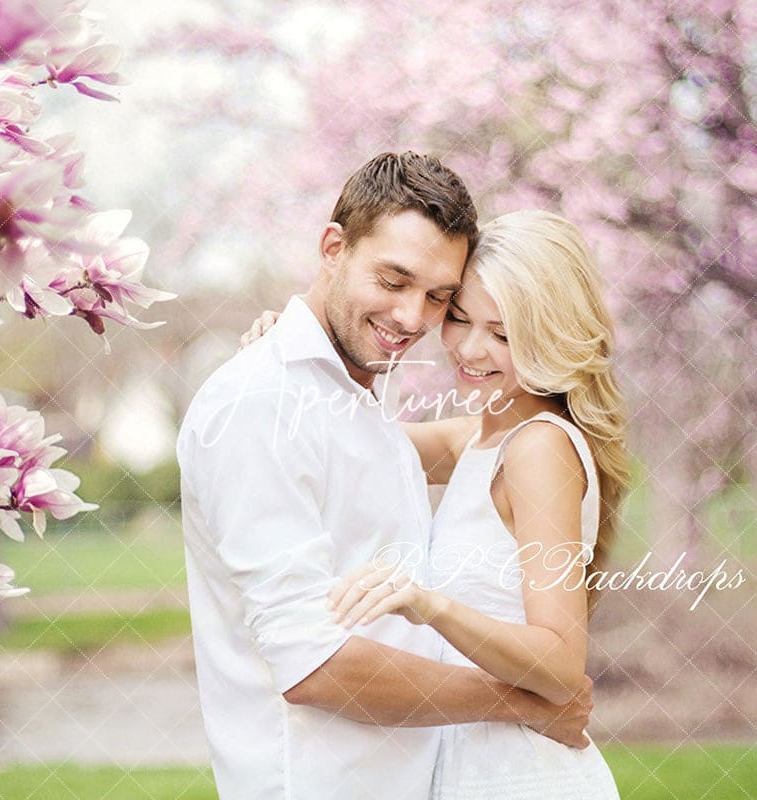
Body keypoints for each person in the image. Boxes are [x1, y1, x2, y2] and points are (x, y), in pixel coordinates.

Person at [176, 154, 593, 800]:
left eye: (438, 298)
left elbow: (463, 446)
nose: (411, 318)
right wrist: (520, 703)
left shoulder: (356, 404)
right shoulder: (260, 404)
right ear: (333, 247)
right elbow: (312, 664)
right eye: (393, 280)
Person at [328, 210, 628, 798]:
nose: (469, 349)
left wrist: (428, 605)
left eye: (503, 333)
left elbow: (562, 661)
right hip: (471, 756)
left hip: (520, 775)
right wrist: (296, 342)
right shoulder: (479, 437)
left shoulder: (538, 449)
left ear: (551, 332)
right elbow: (348, 439)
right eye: (459, 318)